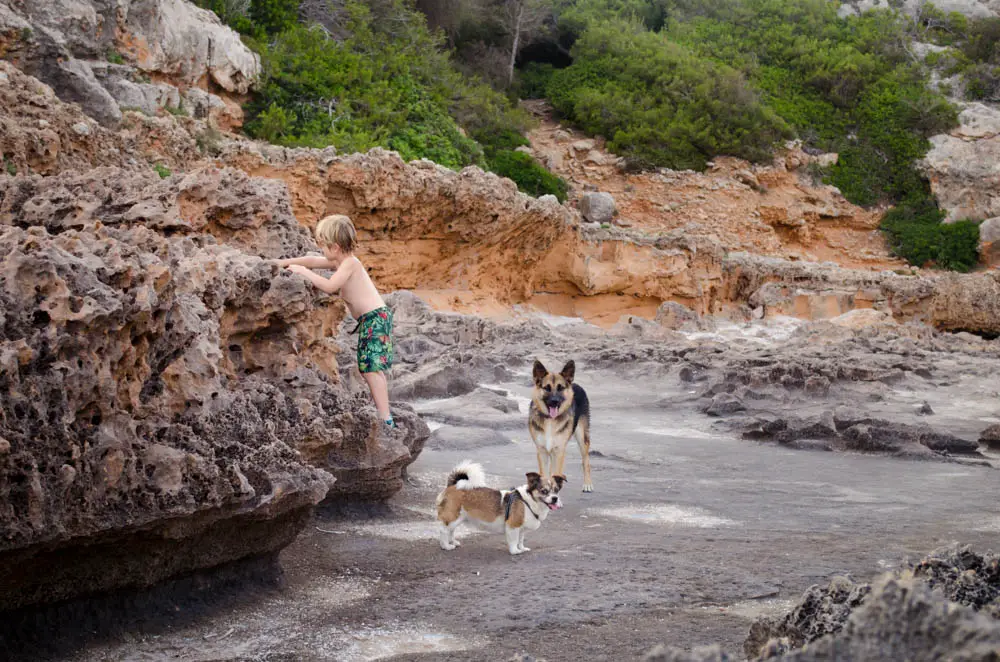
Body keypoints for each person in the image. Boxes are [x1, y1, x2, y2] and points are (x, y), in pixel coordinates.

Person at [278, 214, 396, 428]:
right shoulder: (341, 260)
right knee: (371, 368)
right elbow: (312, 260)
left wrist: (304, 273)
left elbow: (330, 286)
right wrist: (286, 263)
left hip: (375, 319)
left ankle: (385, 417)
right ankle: (384, 413)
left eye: (322, 245)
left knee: (370, 369)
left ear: (334, 247)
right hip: (374, 318)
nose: (321, 250)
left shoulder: (350, 264)